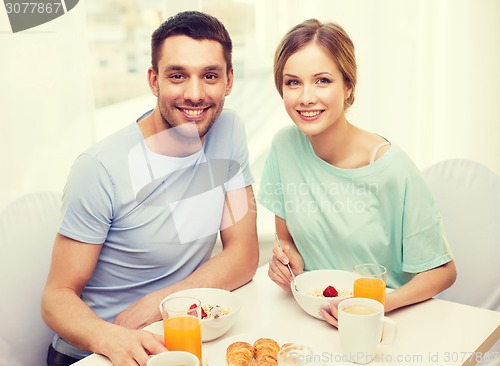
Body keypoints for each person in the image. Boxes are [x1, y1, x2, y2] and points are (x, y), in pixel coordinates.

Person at [42, 11, 259, 366]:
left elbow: (244, 255)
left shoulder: (228, 129)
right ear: (153, 80)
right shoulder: (100, 168)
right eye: (177, 76)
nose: (195, 94)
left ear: (229, 80)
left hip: (175, 337)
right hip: (95, 352)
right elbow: (56, 297)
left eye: (209, 76)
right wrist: (112, 337)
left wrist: (159, 304)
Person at [258, 19, 457, 327]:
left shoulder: (392, 168)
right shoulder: (284, 147)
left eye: (322, 80)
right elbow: (287, 241)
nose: (305, 97)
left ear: (348, 85)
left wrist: (377, 305)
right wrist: (287, 262)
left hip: (385, 321)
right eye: (293, 82)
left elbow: (444, 272)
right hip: (312, 317)